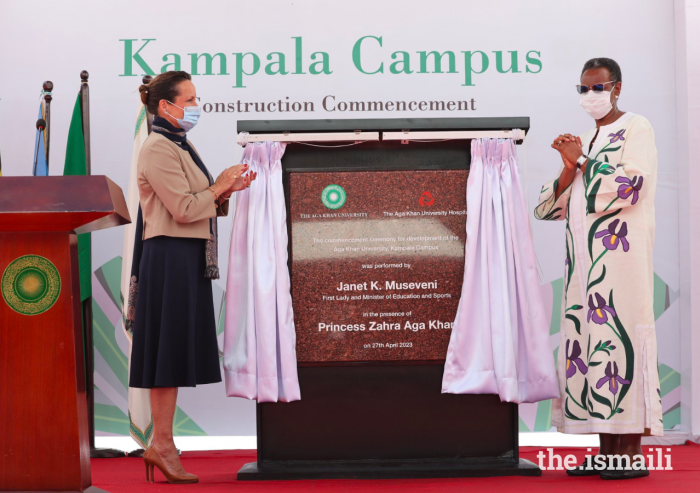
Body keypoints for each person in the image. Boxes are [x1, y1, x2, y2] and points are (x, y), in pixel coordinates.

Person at [126, 71, 257, 484]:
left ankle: (162, 443)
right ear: (166, 106)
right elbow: (182, 208)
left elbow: (196, 202)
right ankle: (161, 445)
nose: (196, 106)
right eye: (191, 99)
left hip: (187, 255)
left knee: (175, 350)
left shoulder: (179, 142)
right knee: (166, 352)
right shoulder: (157, 147)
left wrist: (225, 191)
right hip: (168, 256)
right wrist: (218, 186)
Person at [534, 58, 661, 480]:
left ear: (617, 87)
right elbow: (546, 209)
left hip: (620, 263)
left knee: (620, 343)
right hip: (583, 269)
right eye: (583, 89)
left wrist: (584, 161)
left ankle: (630, 453)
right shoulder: (587, 137)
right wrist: (569, 167)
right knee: (593, 350)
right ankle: (606, 451)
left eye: (598, 87)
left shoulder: (636, 127)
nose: (590, 96)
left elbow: (633, 187)